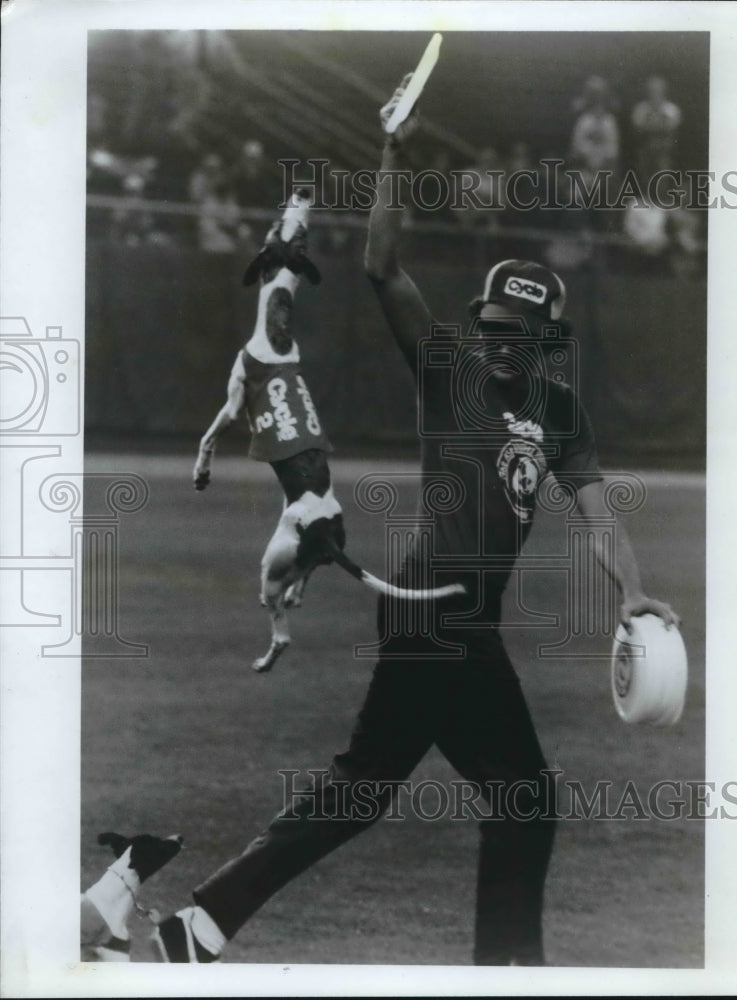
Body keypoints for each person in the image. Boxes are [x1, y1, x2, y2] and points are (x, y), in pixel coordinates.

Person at [149, 78, 679, 967]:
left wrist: (632, 592)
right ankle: (507, 970)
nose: (499, 339)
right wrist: (394, 148)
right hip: (433, 611)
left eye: (517, 330)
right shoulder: (449, 370)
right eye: (492, 324)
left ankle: (200, 926)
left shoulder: (561, 415)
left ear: (547, 338)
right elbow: (380, 267)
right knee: (509, 797)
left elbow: (597, 518)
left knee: (383, 787)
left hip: (462, 622)